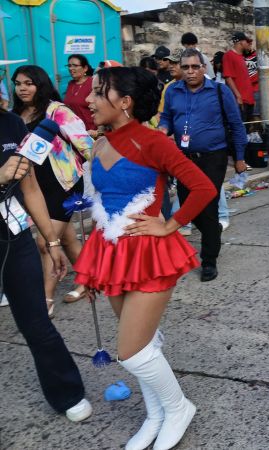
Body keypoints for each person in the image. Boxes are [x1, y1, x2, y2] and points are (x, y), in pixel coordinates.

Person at [74, 66, 215, 450]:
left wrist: (170, 225)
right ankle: (156, 415)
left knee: (132, 353)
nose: (89, 100)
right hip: (112, 254)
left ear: (125, 102)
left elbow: (203, 187)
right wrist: (90, 269)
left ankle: (179, 408)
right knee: (143, 343)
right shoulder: (100, 143)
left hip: (150, 254)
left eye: (98, 92)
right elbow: (100, 206)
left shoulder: (152, 141)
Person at [0, 96, 92, 424]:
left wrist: (52, 242)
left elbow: (31, 189)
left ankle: (68, 393)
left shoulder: (12, 123)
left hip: (14, 236)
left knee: (36, 320)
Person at [159, 48, 247, 282]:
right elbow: (167, 117)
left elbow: (236, 124)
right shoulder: (173, 91)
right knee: (188, 204)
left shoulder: (219, 90)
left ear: (203, 68)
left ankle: (209, 260)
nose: (190, 71)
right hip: (183, 158)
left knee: (207, 205)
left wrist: (239, 157)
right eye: (185, 67)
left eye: (195, 67)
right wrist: (162, 130)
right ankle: (213, 231)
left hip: (213, 157)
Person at [12, 65, 93, 317]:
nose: (23, 88)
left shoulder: (57, 111)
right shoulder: (15, 116)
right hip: (34, 188)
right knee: (66, 238)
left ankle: (45, 299)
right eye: (18, 83)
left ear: (40, 84)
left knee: (45, 241)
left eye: (29, 83)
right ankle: (88, 280)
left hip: (63, 183)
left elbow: (85, 143)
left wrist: (108, 172)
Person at [223, 32, 255, 122]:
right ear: (241, 42)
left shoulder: (241, 57)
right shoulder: (229, 55)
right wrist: (238, 96)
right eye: (247, 41)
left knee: (247, 126)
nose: (248, 44)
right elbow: (228, 77)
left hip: (248, 99)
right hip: (241, 100)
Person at [63, 54, 96, 133]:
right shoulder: (71, 84)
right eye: (69, 66)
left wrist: (98, 132)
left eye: (75, 65)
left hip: (91, 131)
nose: (71, 68)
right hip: (74, 132)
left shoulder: (93, 83)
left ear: (85, 68)